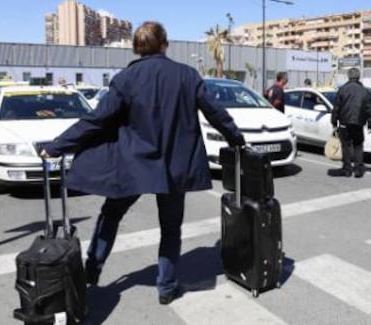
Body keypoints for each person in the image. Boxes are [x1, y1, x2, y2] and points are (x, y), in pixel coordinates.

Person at [40, 21, 245, 305]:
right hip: (174, 167)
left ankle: (92, 269)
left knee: (111, 215)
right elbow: (215, 112)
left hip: (132, 165)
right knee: (171, 228)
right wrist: (236, 139)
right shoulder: (187, 75)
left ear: (137, 48)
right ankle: (166, 287)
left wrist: (57, 146)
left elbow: (98, 119)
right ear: (164, 44)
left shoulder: (126, 79)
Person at [330, 67, 371, 178]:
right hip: (358, 123)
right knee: (358, 146)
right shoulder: (364, 91)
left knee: (346, 146)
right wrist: (369, 123)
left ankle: (347, 169)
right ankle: (358, 170)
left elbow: (337, 107)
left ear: (349, 76)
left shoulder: (343, 89)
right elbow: (368, 108)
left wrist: (334, 121)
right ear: (358, 77)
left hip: (344, 123)